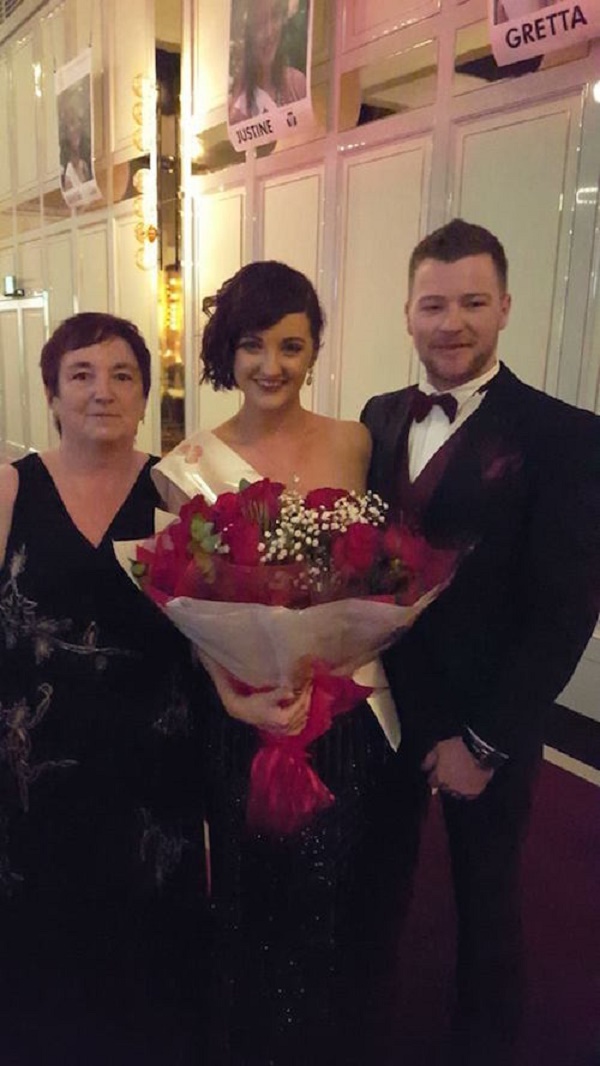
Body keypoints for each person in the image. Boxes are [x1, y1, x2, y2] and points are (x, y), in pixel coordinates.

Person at [361, 218, 600, 1065]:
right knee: (377, 885)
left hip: (485, 716)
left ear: (503, 308)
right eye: (433, 304)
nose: (450, 322)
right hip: (382, 702)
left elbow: (564, 610)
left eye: (471, 302)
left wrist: (487, 742)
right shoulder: (379, 417)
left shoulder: (567, 435)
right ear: (408, 314)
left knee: (486, 904)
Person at [152, 261, 402, 1066]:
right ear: (227, 351)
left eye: (291, 346)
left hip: (342, 719)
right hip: (246, 724)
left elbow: (381, 572)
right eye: (252, 345)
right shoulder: (186, 463)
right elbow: (184, 606)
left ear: (314, 348)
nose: (271, 366)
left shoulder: (355, 441)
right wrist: (232, 695)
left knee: (333, 898)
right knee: (251, 896)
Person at [0, 313, 206, 1065]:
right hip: (36, 763)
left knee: (146, 939)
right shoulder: (11, 489)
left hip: (152, 763)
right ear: (52, 395)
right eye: (81, 375)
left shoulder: (176, 491)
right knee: (43, 935)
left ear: (145, 394)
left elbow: (213, 626)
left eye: (123, 375)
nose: (102, 392)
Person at [228, 0, 307, 125]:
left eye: (275, 16)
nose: (269, 33)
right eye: (260, 22)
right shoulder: (237, 109)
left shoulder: (297, 84)